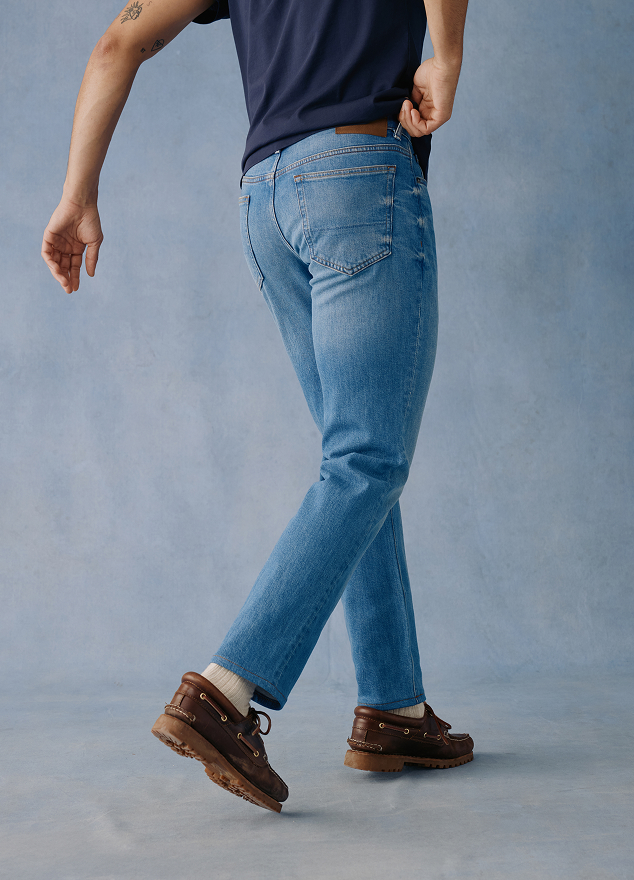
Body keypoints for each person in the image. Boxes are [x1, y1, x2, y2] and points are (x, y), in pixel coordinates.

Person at [42, 0, 472, 813]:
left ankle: (395, 709)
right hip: (356, 174)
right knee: (367, 460)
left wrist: (77, 194)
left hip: (266, 199)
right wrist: (445, 56)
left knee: (352, 462)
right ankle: (223, 692)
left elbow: (118, 42)